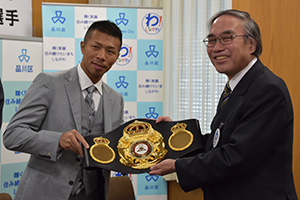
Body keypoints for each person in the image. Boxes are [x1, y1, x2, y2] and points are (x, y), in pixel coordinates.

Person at [149, 9, 298, 200]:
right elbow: (219, 141)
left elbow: (236, 156)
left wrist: (177, 166)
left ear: (251, 44)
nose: (216, 48)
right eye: (211, 40)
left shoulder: (268, 89)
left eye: (227, 38)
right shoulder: (236, 85)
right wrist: (177, 134)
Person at [3, 20, 124, 200]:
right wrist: (58, 140)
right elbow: (12, 135)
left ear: (117, 56)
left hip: (94, 193)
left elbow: (117, 147)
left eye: (110, 51)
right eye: (96, 47)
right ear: (83, 47)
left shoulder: (116, 99)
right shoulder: (49, 83)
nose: (102, 56)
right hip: (46, 193)